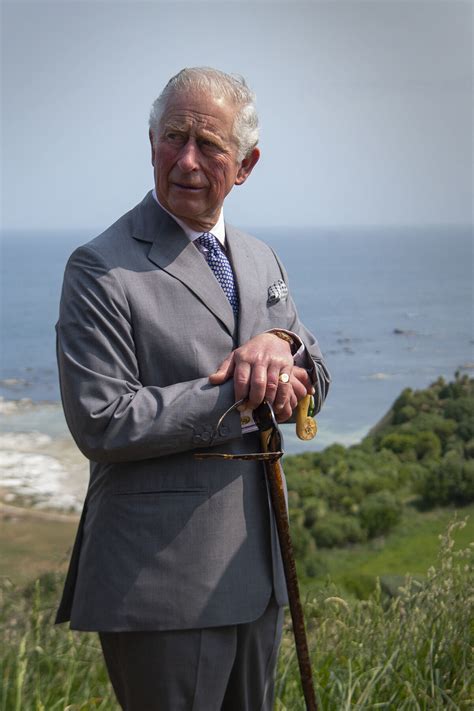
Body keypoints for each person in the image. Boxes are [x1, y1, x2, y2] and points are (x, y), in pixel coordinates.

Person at [55, 67, 330, 711]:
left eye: (209, 145)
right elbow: (102, 420)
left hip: (257, 570)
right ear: (149, 140)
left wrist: (285, 349)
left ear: (246, 164)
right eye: (172, 137)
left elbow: (312, 368)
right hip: (159, 581)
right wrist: (244, 388)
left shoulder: (261, 259)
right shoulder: (99, 266)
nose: (186, 160)